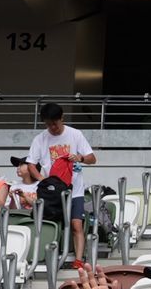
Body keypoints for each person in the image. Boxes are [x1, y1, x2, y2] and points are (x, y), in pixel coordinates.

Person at [19, 101, 98, 267]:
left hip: (74, 189)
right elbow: (31, 164)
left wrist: (80, 158)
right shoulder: (40, 139)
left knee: (76, 224)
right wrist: (43, 180)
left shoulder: (75, 134)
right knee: (50, 224)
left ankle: (78, 259)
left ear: (62, 118)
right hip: (51, 192)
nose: (52, 128)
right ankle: (47, 256)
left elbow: (92, 158)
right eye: (48, 124)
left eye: (54, 123)